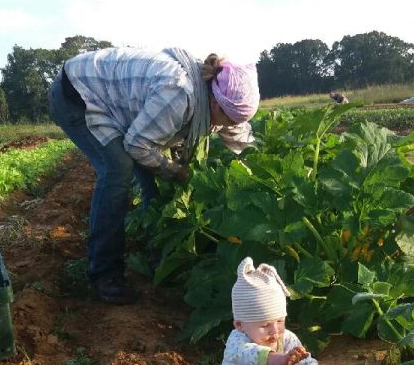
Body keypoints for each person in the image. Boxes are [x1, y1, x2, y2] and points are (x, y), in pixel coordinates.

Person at [48, 47, 260, 304]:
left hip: (119, 104)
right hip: (79, 94)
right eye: (231, 121)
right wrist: (176, 172)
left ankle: (161, 256)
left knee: (152, 178)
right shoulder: (178, 94)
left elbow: (240, 136)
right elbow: (137, 146)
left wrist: (257, 169)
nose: (232, 126)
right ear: (216, 103)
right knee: (118, 169)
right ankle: (105, 272)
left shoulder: (217, 92)